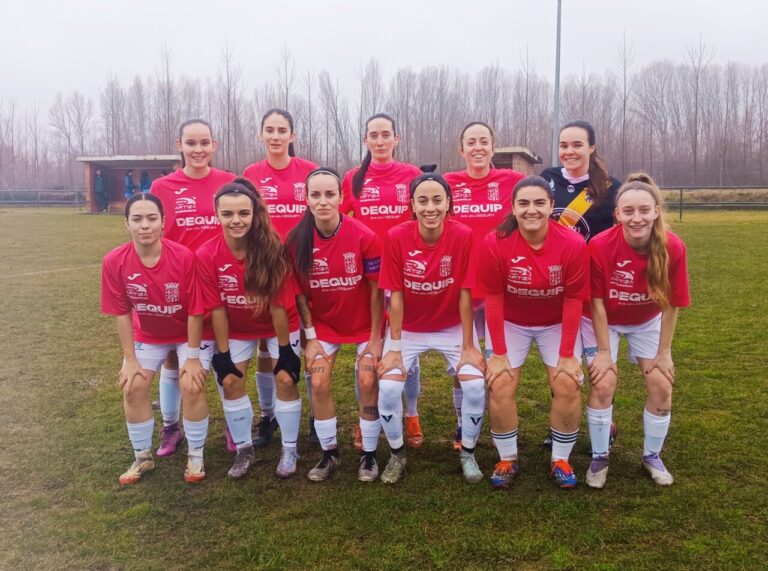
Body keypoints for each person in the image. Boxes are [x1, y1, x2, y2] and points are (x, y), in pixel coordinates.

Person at [377, 168, 486, 484]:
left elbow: (466, 293)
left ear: (448, 203)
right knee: (388, 389)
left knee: (476, 386)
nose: (430, 207)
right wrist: (395, 347)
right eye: (422, 200)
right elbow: (394, 297)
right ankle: (397, 455)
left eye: (437, 200)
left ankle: (467, 452)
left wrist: (468, 344)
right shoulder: (396, 237)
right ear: (412, 204)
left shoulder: (464, 236)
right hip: (408, 329)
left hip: (451, 327)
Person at [481, 176, 589, 489]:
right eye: (524, 203)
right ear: (513, 208)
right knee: (500, 383)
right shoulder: (495, 243)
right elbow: (493, 298)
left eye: (539, 203)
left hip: (556, 323)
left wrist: (568, 354)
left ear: (551, 207)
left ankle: (561, 459)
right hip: (511, 323)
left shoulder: (572, 243)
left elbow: (573, 300)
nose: (532, 210)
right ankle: (507, 458)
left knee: (568, 383)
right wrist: (498, 353)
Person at [585, 173, 690, 488]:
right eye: (628, 211)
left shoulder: (673, 247)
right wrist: (604, 353)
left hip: (647, 321)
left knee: (661, 385)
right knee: (604, 383)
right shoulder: (600, 245)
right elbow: (597, 303)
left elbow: (672, 305)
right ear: (617, 214)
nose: (637, 218)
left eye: (644, 210)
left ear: (656, 210)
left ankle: (652, 456)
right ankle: (600, 456)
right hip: (602, 320)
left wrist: (664, 352)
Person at [101, 193, 212, 484]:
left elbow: (196, 310)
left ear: (164, 222)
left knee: (192, 382)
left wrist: (191, 357)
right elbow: (122, 313)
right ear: (126, 223)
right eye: (137, 219)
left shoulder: (184, 257)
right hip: (149, 334)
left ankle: (196, 456)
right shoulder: (114, 261)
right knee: (133, 385)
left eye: (152, 218)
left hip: (187, 332)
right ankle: (142, 457)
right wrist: (130, 360)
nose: (145, 226)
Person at [197, 178, 302, 479]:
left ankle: (290, 449)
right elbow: (216, 308)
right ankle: (244, 450)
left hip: (277, 323)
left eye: (243, 213)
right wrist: (224, 354)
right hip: (236, 327)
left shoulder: (272, 248)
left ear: (254, 213)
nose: (236, 220)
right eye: (227, 214)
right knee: (230, 381)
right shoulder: (207, 254)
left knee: (285, 377)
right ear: (216, 214)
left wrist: (284, 351)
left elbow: (279, 305)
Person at [286, 167, 385, 482]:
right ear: (307, 199)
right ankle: (330, 453)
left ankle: (369, 455)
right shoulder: (296, 240)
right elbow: (300, 295)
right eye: (316, 195)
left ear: (342, 198)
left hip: (363, 326)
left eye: (330, 194)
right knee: (318, 382)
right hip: (324, 328)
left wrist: (374, 337)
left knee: (368, 380)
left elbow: (375, 290)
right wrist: (311, 338)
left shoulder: (365, 237)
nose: (323, 201)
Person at [149, 119, 236, 457]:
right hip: (179, 286)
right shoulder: (162, 187)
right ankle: (172, 428)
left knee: (221, 356)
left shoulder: (229, 181)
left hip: (221, 282)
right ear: (179, 145)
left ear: (214, 145)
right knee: (174, 359)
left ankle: (233, 425)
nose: (198, 149)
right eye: (191, 143)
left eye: (204, 143)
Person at [340, 113, 424, 450]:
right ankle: (367, 417)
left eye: (385, 134)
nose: (379, 140)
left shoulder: (412, 175)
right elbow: (344, 220)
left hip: (407, 272)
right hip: (369, 276)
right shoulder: (352, 178)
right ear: (365, 140)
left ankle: (412, 414)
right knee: (369, 349)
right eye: (373, 135)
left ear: (396, 139)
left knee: (408, 352)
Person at [539, 119, 622, 449]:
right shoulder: (547, 179)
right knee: (563, 360)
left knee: (597, 362)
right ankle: (563, 416)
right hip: (555, 285)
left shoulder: (609, 187)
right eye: (563, 145)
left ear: (591, 147)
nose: (569, 151)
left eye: (576, 145)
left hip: (593, 287)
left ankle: (606, 419)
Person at [444, 121, 525, 451]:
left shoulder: (513, 182)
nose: (477, 147)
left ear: (493, 147)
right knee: (461, 361)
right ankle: (463, 423)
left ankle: (494, 420)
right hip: (459, 288)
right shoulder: (447, 183)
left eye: (484, 141)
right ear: (460, 149)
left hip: (497, 290)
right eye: (471, 142)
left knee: (494, 359)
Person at [243, 108, 318, 448]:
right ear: (261, 135)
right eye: (269, 130)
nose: (275, 136)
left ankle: (318, 417)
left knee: (304, 339)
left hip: (302, 265)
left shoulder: (309, 172)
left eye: (282, 130)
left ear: (292, 135)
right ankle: (268, 414)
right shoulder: (250, 174)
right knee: (265, 343)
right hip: (265, 266)